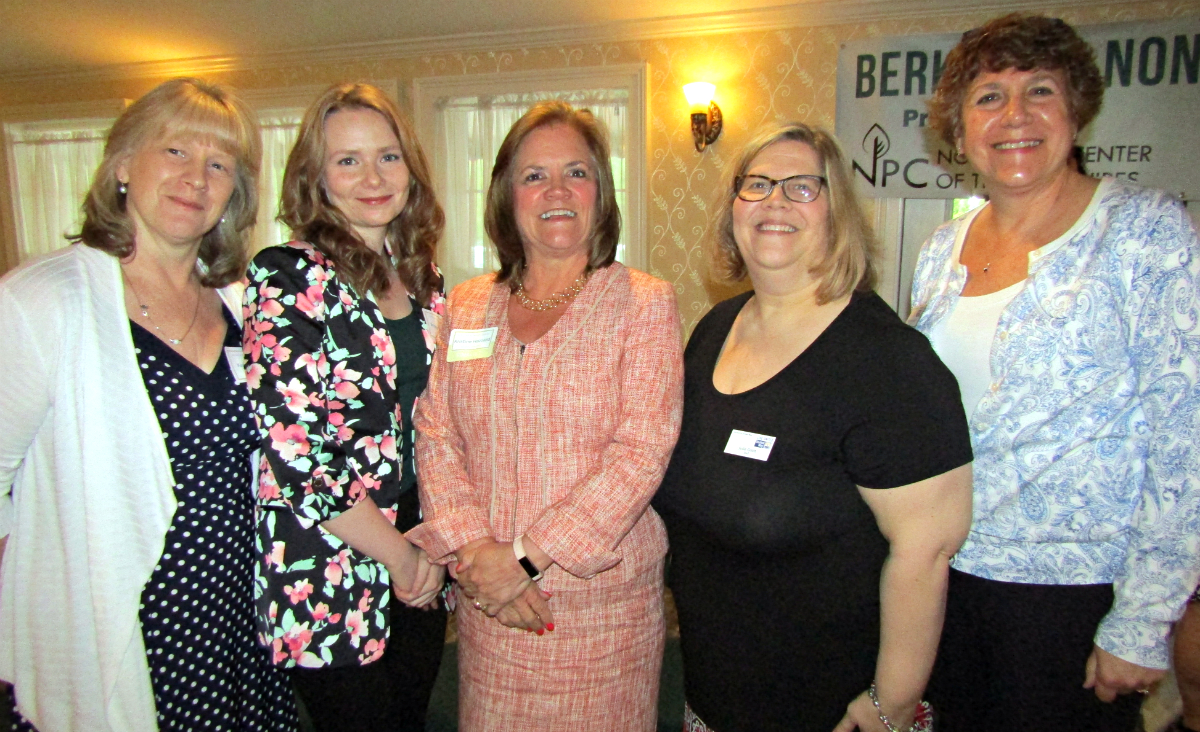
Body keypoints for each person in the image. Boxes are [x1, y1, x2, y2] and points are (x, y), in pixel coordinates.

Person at [910, 13, 1200, 731]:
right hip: (947, 575)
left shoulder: (1146, 231)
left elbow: (1187, 434)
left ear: (1077, 109)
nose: (1015, 116)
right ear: (960, 125)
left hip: (1074, 595)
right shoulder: (942, 247)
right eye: (988, 97)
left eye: (1039, 90)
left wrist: (1142, 615)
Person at [652, 121, 974, 732]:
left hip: (830, 705)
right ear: (731, 212)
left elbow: (926, 550)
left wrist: (893, 701)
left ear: (837, 214)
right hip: (713, 695)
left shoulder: (889, 362)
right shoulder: (715, 330)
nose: (775, 201)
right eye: (757, 185)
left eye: (803, 187)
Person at [0, 78, 298, 732]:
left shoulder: (241, 305)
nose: (197, 177)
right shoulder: (43, 301)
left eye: (219, 164)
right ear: (122, 166)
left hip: (233, 625)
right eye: (175, 152)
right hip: (116, 627)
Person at [406, 100, 683, 731]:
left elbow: (642, 451)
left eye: (575, 173)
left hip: (596, 616)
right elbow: (436, 432)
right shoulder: (470, 304)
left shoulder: (643, 303)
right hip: (487, 608)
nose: (556, 191)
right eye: (534, 176)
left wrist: (524, 558)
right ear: (506, 195)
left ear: (600, 193)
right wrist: (478, 554)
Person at [242, 82, 447, 732]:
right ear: (315, 177)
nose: (372, 177)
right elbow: (297, 453)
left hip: (423, 542)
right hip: (329, 560)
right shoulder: (286, 275)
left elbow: (445, 418)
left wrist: (436, 544)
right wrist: (399, 555)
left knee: (409, 717)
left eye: (387, 156)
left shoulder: (424, 279)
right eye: (347, 160)